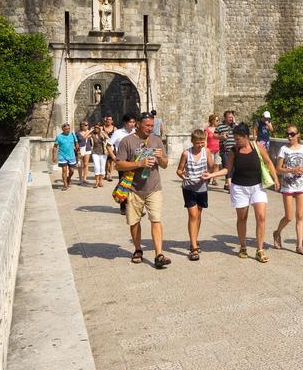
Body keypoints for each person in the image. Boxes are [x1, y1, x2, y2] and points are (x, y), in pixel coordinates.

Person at [116, 113, 171, 269]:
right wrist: (139, 163)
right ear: (138, 124)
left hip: (154, 187)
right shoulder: (127, 141)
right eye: (147, 125)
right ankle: (138, 249)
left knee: (156, 219)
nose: (150, 128)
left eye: (152, 125)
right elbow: (119, 165)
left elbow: (165, 164)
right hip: (134, 188)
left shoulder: (156, 140)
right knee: (134, 222)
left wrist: (160, 158)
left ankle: (159, 254)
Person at [219, 123, 279, 262]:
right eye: (234, 139)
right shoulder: (233, 151)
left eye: (238, 139)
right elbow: (227, 169)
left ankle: (260, 249)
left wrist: (275, 179)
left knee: (261, 217)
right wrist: (212, 175)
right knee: (242, 218)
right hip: (239, 188)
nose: (236, 141)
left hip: (257, 187)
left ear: (246, 136)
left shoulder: (257, 146)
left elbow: (269, 162)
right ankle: (243, 246)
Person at [176, 128, 218, 261]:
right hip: (189, 187)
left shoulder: (207, 151)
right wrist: (182, 176)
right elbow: (179, 170)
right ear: (192, 141)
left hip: (202, 187)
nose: (200, 145)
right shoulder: (185, 153)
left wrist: (212, 169)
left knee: (198, 215)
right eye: (198, 143)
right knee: (193, 215)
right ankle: (193, 247)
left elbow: (212, 167)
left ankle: (194, 239)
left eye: (202, 142)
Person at [273, 124, 303, 255]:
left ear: (298, 135)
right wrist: (291, 170)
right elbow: (278, 169)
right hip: (287, 185)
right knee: (289, 217)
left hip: (301, 184)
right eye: (287, 134)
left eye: (292, 134)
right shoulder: (283, 149)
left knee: (300, 216)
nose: (289, 136)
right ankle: (277, 233)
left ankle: (299, 246)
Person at [51, 123, 79, 190]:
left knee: (72, 171)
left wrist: (77, 146)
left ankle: (68, 178)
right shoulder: (59, 137)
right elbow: (55, 147)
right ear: (62, 129)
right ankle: (65, 185)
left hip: (71, 155)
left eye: (69, 129)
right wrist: (53, 156)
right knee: (64, 170)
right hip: (62, 156)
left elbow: (77, 143)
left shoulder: (72, 135)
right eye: (66, 129)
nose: (68, 130)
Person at [214, 110, 237, 189]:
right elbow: (214, 136)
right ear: (225, 118)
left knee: (233, 167)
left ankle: (228, 183)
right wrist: (221, 137)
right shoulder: (220, 126)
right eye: (229, 117)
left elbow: (240, 132)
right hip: (225, 150)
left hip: (235, 150)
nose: (231, 119)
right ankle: (230, 185)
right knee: (228, 167)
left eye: (232, 117)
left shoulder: (234, 126)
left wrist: (234, 123)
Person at [89, 121, 109, 188]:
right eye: (95, 127)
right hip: (95, 152)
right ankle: (96, 182)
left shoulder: (102, 134)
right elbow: (84, 136)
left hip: (103, 153)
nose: (96, 128)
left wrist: (102, 131)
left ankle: (101, 182)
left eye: (98, 127)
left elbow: (107, 137)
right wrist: (90, 130)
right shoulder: (92, 134)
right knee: (97, 167)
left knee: (102, 167)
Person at [205, 114, 221, 186]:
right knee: (210, 166)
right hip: (210, 150)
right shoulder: (207, 129)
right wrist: (205, 149)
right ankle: (208, 177)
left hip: (218, 149)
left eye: (218, 120)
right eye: (217, 120)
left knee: (217, 164)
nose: (218, 122)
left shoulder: (219, 129)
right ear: (212, 121)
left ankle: (214, 180)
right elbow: (205, 140)